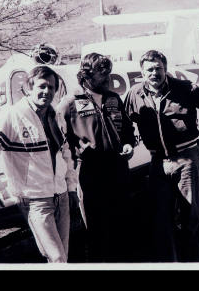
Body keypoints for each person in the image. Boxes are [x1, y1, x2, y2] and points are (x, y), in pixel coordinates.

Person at [124, 50, 199, 262]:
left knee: (191, 217)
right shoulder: (134, 94)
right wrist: (128, 141)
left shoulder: (184, 88)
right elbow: (125, 122)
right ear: (142, 72)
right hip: (158, 162)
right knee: (161, 220)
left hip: (186, 159)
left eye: (158, 68)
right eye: (149, 69)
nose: (154, 73)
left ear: (165, 69)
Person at [0, 65, 78, 263]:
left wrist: (71, 187)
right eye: (41, 86)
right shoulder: (12, 115)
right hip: (35, 200)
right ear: (29, 88)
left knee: (62, 256)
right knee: (57, 257)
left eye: (51, 87)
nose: (47, 92)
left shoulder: (55, 116)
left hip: (61, 194)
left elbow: (66, 154)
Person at [56, 52, 136, 262]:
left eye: (108, 74)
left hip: (119, 170)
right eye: (103, 75)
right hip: (91, 174)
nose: (108, 79)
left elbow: (128, 130)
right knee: (97, 227)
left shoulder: (114, 98)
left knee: (122, 223)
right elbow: (59, 141)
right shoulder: (70, 103)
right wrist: (78, 154)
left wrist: (128, 143)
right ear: (86, 76)